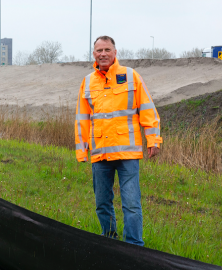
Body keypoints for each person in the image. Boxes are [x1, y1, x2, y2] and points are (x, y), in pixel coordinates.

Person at [74, 36, 162, 246]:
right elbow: (82, 118)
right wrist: (81, 150)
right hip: (100, 154)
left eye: (107, 49)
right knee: (102, 203)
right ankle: (111, 243)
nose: (103, 54)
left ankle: (134, 247)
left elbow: (148, 110)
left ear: (115, 52)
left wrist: (153, 140)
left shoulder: (131, 76)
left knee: (131, 204)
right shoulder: (87, 82)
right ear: (93, 54)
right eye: (99, 50)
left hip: (127, 154)